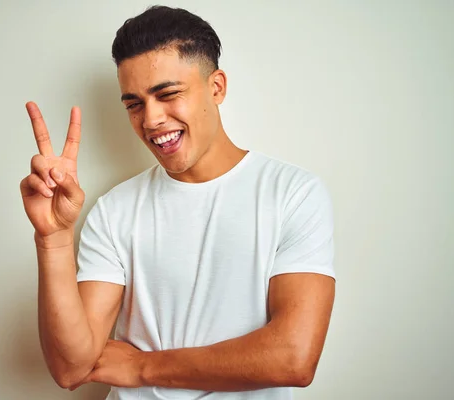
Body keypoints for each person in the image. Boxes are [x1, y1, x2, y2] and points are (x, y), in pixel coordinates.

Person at [20, 5, 335, 400]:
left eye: (167, 94)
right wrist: (54, 239)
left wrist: (141, 367)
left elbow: (293, 357)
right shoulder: (114, 209)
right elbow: (70, 368)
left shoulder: (293, 193)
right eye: (134, 104)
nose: (150, 119)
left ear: (216, 87)